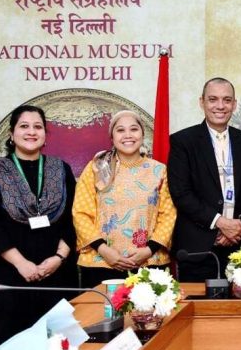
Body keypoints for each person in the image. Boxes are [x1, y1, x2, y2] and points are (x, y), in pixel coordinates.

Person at [0, 105, 77, 350]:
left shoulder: (61, 169)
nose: (31, 132)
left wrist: (59, 258)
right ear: (12, 134)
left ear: (45, 135)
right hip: (8, 279)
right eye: (24, 126)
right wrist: (21, 263)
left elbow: (73, 219)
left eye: (37, 127)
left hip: (55, 277)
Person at [167, 78, 241, 281]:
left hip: (240, 244)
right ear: (202, 102)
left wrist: (238, 226)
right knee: (198, 301)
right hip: (198, 247)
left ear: (234, 104)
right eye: (213, 99)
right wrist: (220, 223)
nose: (220, 106)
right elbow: (181, 193)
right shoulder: (183, 141)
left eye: (227, 100)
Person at [73, 110, 177, 288]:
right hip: (101, 262)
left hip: (148, 262)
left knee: (147, 307)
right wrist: (105, 251)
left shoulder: (159, 171)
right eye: (120, 130)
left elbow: (168, 215)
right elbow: (81, 213)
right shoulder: (97, 167)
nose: (128, 135)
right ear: (112, 137)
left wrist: (148, 251)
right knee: (101, 307)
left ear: (142, 134)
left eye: (134, 129)